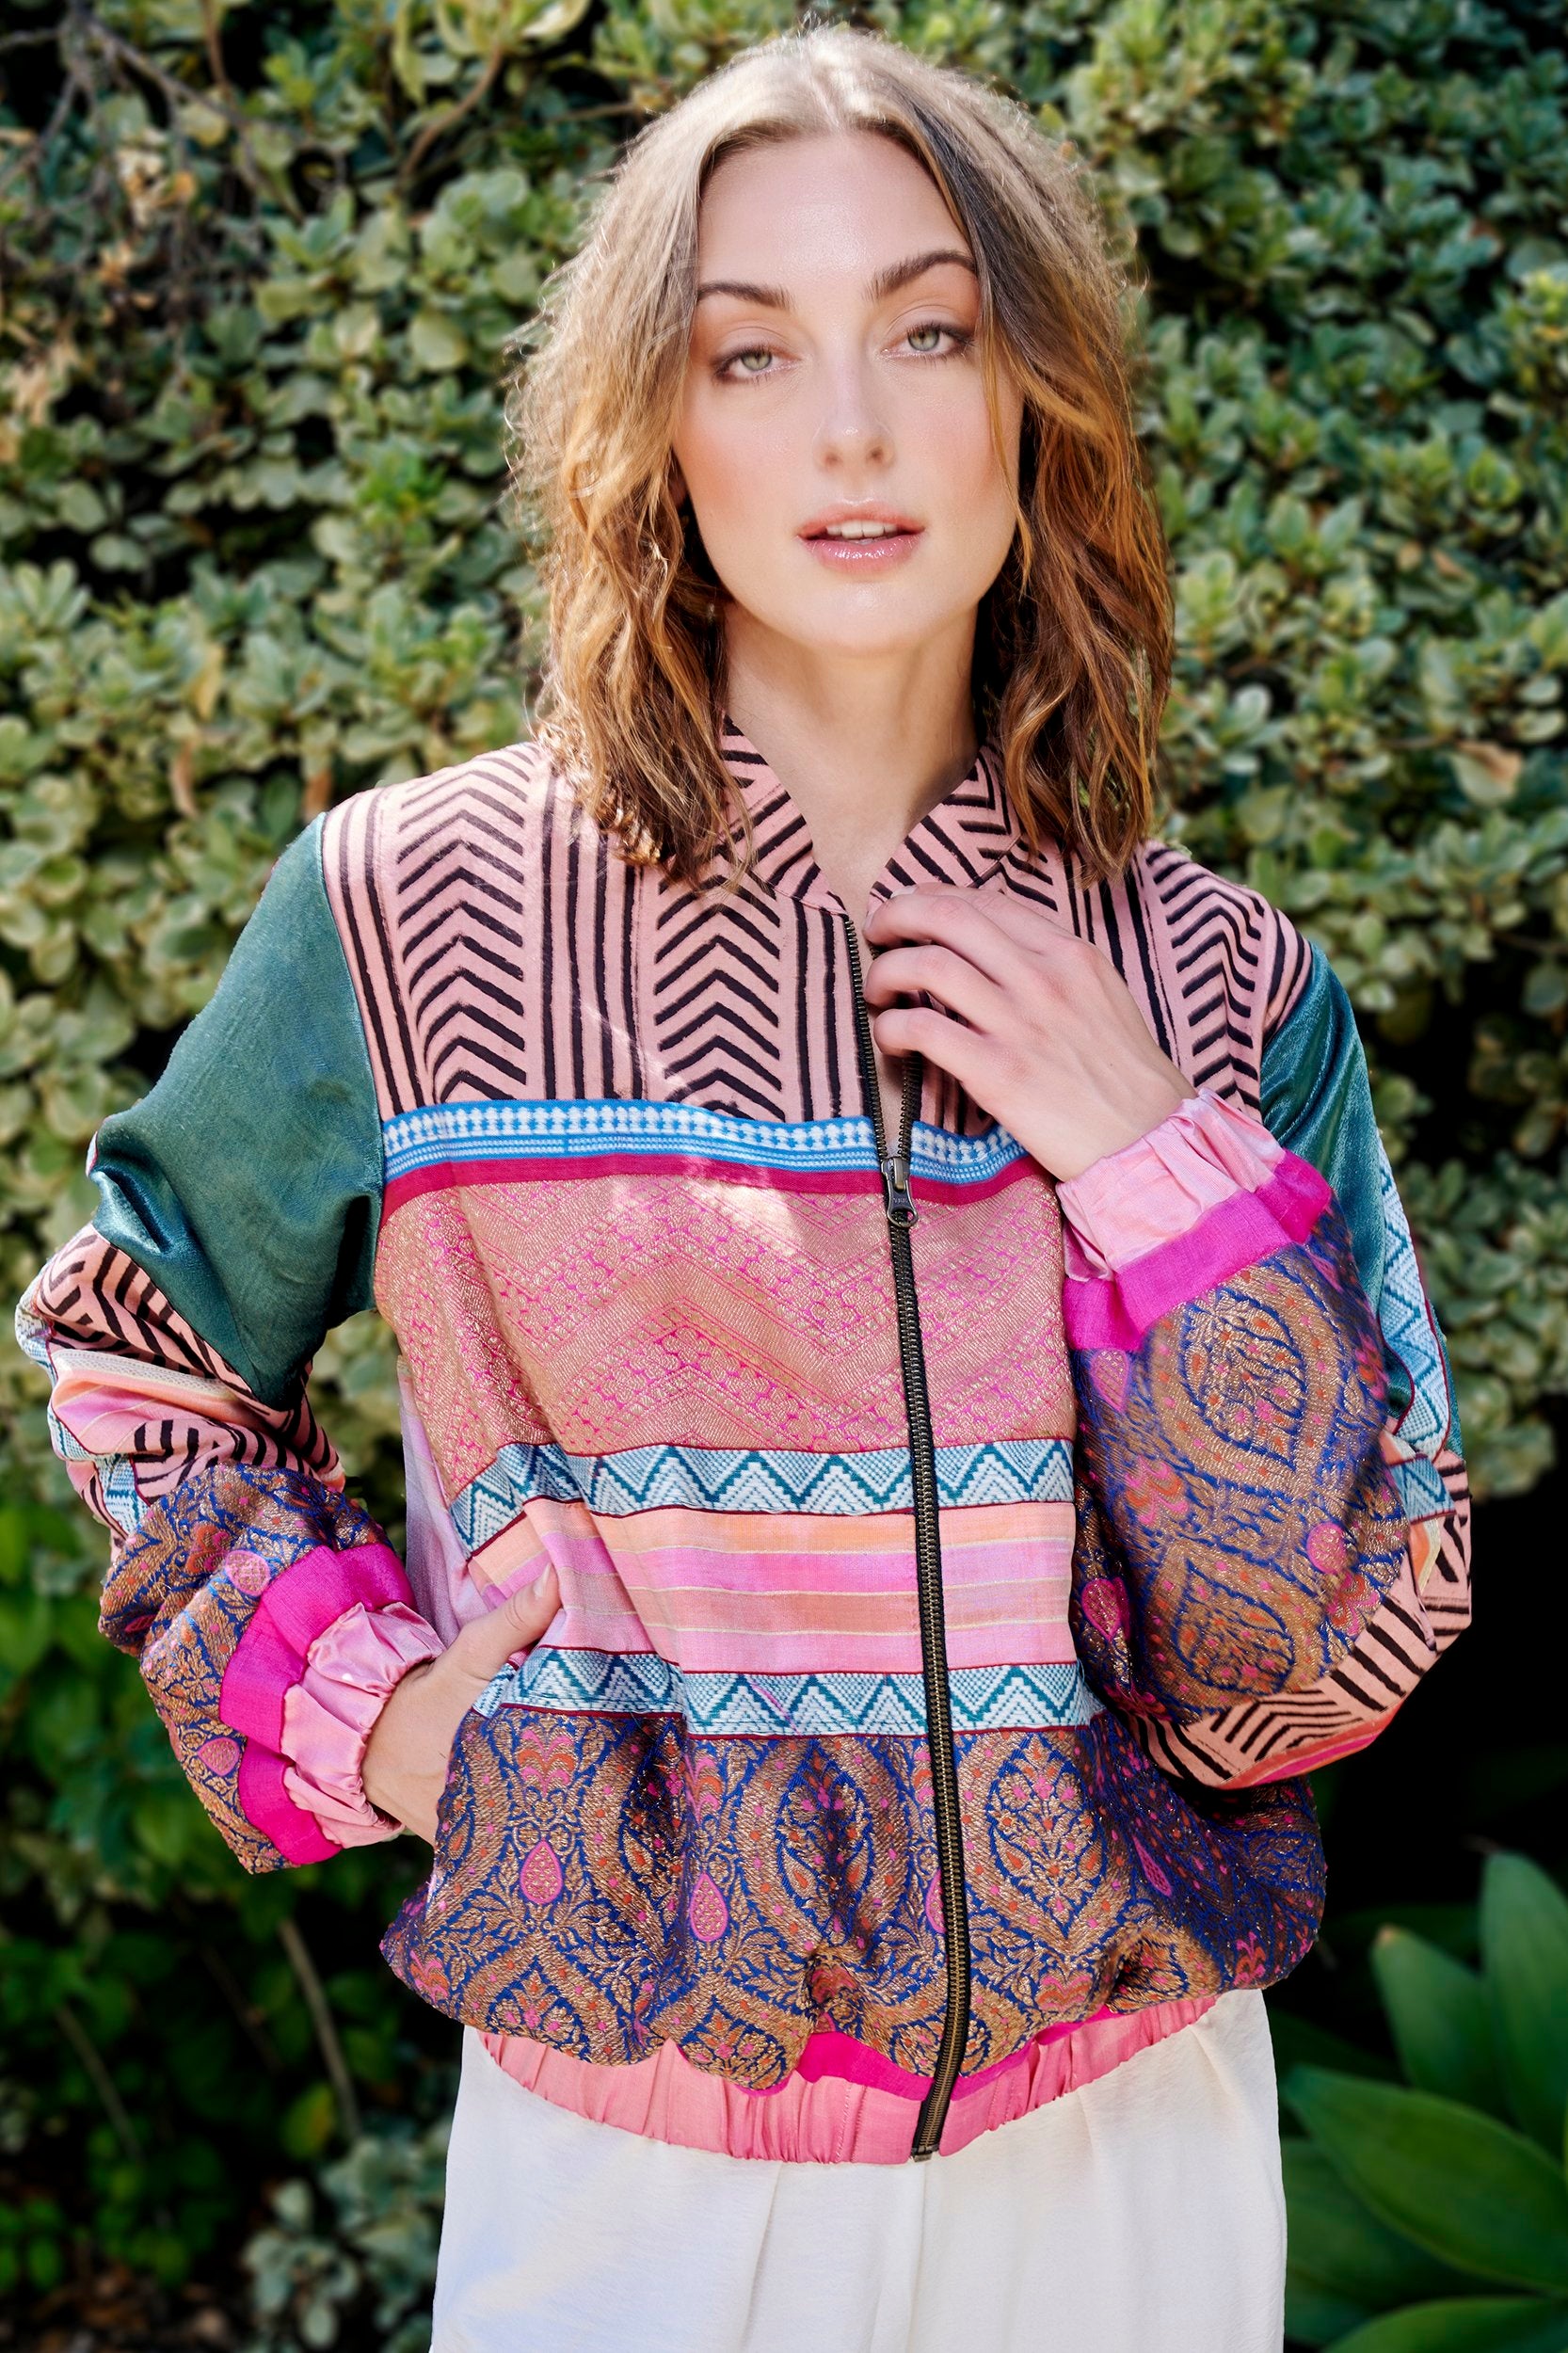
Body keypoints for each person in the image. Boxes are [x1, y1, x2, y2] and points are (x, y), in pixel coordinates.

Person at [18, 25, 1472, 2352]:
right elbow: (135, 1356)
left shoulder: (1214, 986)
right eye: (748, 351)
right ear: (651, 424)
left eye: (929, 328)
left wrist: (1150, 1162)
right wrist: (363, 1708)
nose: (853, 428)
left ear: (1034, 402)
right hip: (631, 2168)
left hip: (1121, 2159)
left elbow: (1306, 1673)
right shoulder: (409, 913)